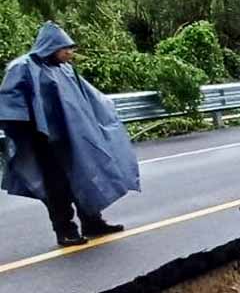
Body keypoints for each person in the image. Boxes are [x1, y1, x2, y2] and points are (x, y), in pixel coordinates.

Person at [0, 22, 140, 246]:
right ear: (50, 46)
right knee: (57, 187)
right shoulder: (24, 67)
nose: (70, 53)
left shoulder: (64, 69)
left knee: (85, 176)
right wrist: (28, 129)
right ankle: (65, 230)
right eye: (65, 48)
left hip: (73, 136)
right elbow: (9, 101)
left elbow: (88, 96)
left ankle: (92, 221)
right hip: (44, 140)